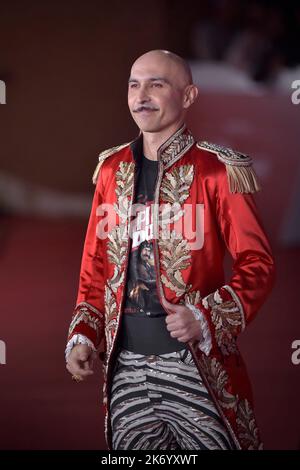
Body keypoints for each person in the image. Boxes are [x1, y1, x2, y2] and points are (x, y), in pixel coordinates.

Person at [65, 49, 276, 450]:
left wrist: (207, 318)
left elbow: (257, 263)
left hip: (195, 365)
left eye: (156, 84)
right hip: (124, 368)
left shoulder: (218, 170)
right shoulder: (112, 170)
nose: (141, 95)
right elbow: (96, 265)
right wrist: (84, 334)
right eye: (133, 84)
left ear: (189, 96)